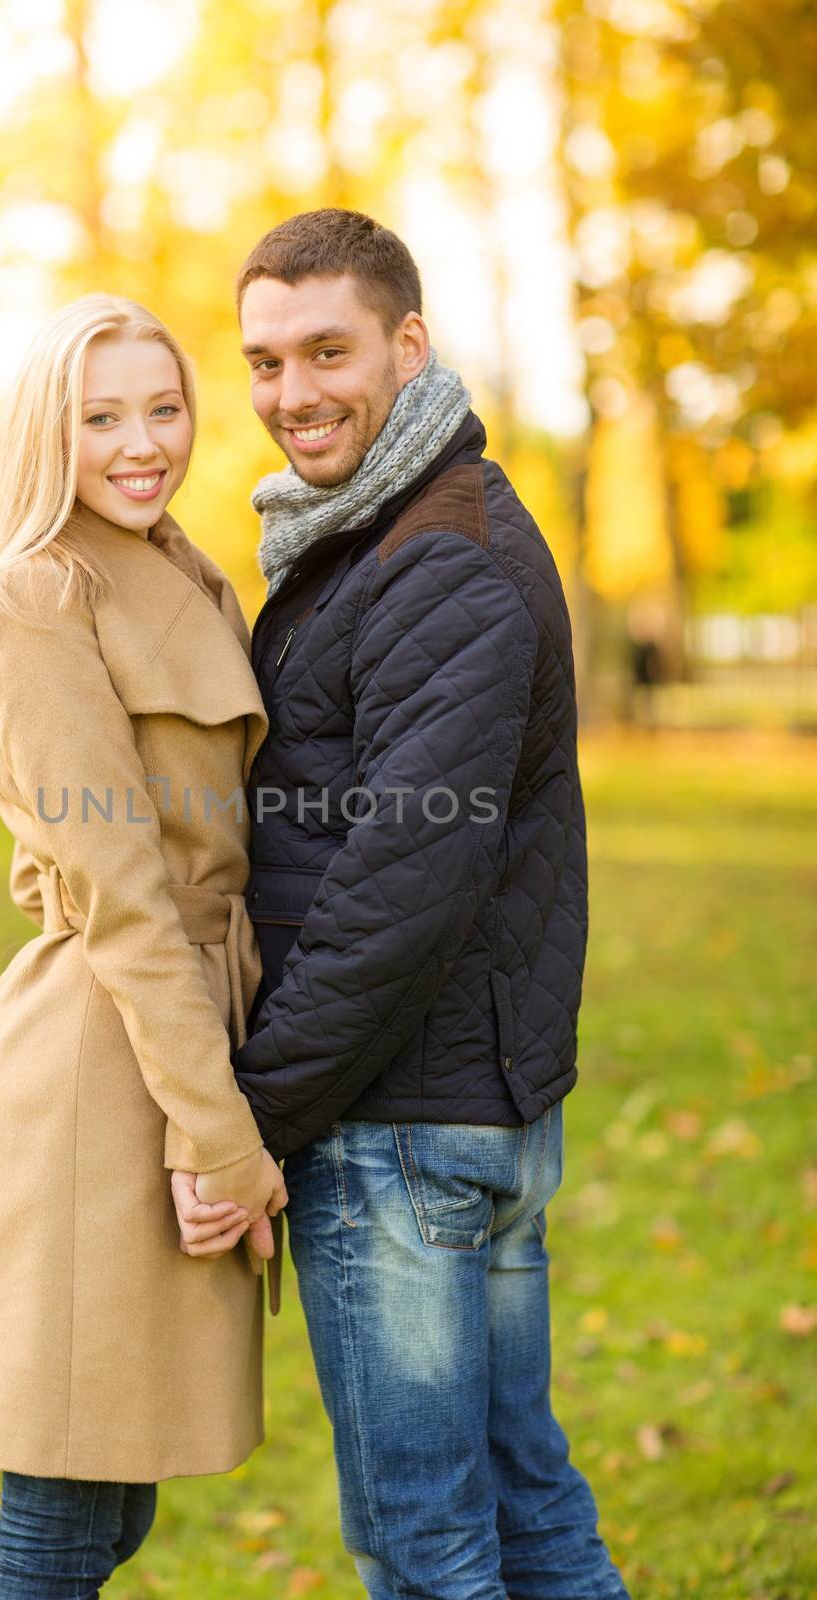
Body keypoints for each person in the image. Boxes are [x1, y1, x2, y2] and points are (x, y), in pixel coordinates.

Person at [171, 210, 631, 1599]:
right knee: (518, 1495)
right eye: (263, 361)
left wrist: (253, 1113)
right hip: (455, 1102)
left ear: (406, 344)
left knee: (425, 1538)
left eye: (327, 350)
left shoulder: (436, 553)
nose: (291, 393)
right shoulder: (384, 526)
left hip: (402, 1123)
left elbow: (399, 887)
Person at [0, 293, 286, 1599]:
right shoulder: (34, 595)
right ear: (46, 432)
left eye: (164, 407)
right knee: (62, 1527)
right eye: (100, 418)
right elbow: (126, 891)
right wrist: (217, 1131)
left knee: (107, 1511)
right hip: (102, 1064)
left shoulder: (189, 567)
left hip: (180, 1030)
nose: (143, 443)